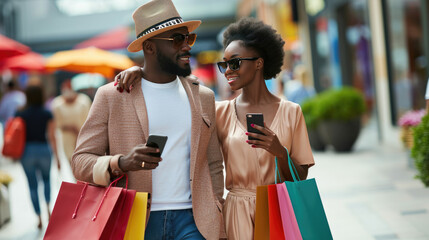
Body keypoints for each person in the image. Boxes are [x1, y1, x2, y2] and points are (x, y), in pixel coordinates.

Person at [115, 17, 315, 240]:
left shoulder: (291, 112)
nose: (228, 70)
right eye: (224, 64)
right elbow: (173, 84)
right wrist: (141, 73)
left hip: (279, 209)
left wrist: (280, 152)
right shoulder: (218, 112)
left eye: (235, 63)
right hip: (236, 214)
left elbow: (301, 176)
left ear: (259, 63)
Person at [71, 0, 225, 239]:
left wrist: (217, 206)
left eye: (189, 38)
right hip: (135, 219)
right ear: (150, 48)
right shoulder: (113, 95)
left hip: (194, 221)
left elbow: (213, 161)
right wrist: (121, 163)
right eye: (177, 40)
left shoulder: (203, 96)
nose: (187, 46)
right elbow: (80, 162)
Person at [15, 85, 60, 229]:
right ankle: (48, 209)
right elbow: (52, 136)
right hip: (43, 149)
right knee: (46, 180)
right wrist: (58, 158)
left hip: (27, 151)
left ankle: (39, 217)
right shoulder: (47, 113)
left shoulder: (20, 113)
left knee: (32, 185)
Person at [51, 79, 91, 163]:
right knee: (72, 164)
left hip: (84, 138)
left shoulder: (84, 101)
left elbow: (90, 120)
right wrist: (72, 128)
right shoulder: (57, 104)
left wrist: (80, 133)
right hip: (67, 141)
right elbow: (57, 124)